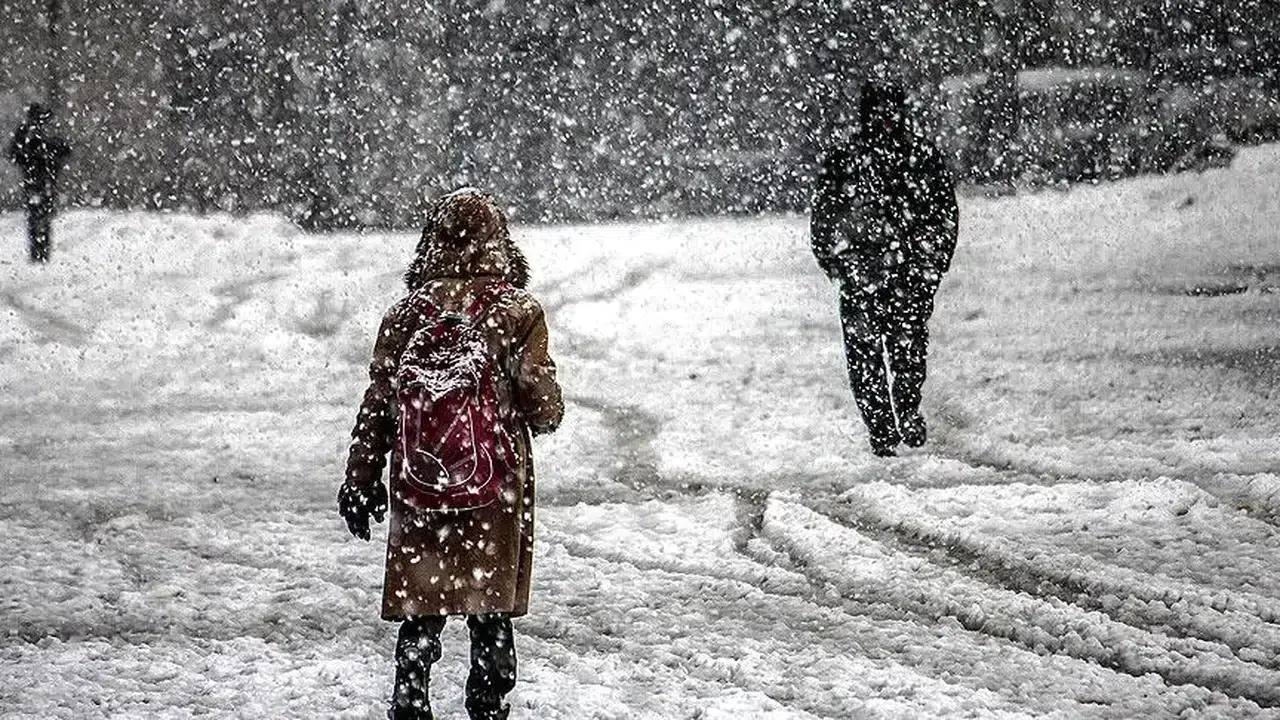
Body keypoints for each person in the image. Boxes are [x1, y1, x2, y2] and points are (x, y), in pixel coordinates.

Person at [339, 188, 563, 720]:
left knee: (425, 602)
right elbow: (542, 405)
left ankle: (411, 698)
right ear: (501, 244)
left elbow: (379, 404)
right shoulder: (516, 313)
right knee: (489, 607)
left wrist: (361, 477)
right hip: (495, 483)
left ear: (430, 244)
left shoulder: (406, 315)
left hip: (421, 485)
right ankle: (487, 703)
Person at [811, 80, 959, 457]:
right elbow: (824, 219)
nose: (885, 120)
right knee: (868, 358)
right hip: (866, 275)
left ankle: (905, 411)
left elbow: (944, 216)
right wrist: (839, 264)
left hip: (904, 274)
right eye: (878, 112)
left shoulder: (919, 158)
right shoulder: (848, 160)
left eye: (889, 112)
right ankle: (882, 428)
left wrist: (931, 264)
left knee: (905, 350)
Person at [8, 103, 71, 263]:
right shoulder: (30, 133)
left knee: (39, 215)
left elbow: (64, 150)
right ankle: (39, 252)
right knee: (39, 215)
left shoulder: (34, 133)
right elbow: (15, 153)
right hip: (39, 179)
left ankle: (40, 252)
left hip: (39, 179)